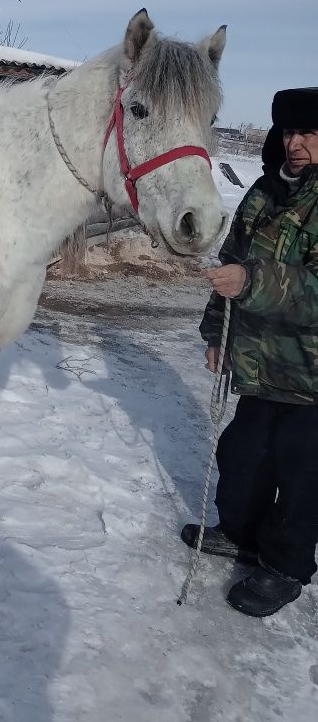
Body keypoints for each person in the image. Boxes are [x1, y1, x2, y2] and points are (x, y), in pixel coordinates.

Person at [181, 87, 318, 617]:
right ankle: (239, 533)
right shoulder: (264, 190)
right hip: (262, 365)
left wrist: (253, 280)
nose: (296, 142)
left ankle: (284, 567)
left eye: (308, 132)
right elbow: (232, 265)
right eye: (289, 131)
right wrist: (217, 332)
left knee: (303, 475)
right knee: (245, 456)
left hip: (311, 375)